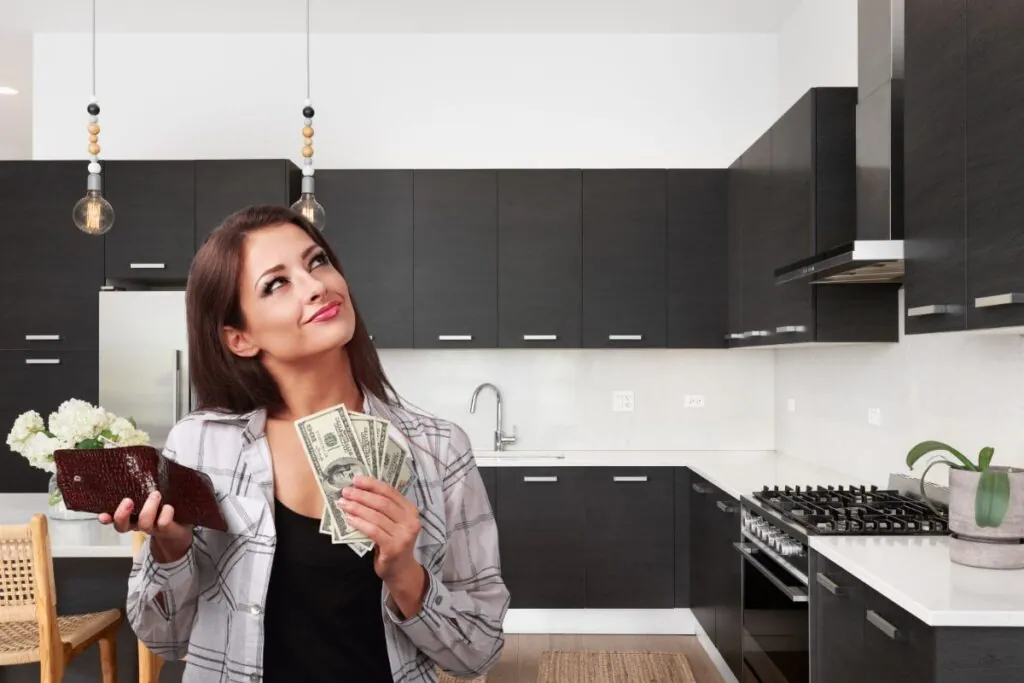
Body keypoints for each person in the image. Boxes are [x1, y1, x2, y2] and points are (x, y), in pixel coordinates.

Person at [98, 205, 509, 683]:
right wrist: (171, 550)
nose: (317, 286)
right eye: (277, 284)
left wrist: (405, 575)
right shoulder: (200, 445)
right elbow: (162, 638)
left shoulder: (438, 449)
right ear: (239, 338)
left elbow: (479, 651)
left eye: (316, 262)